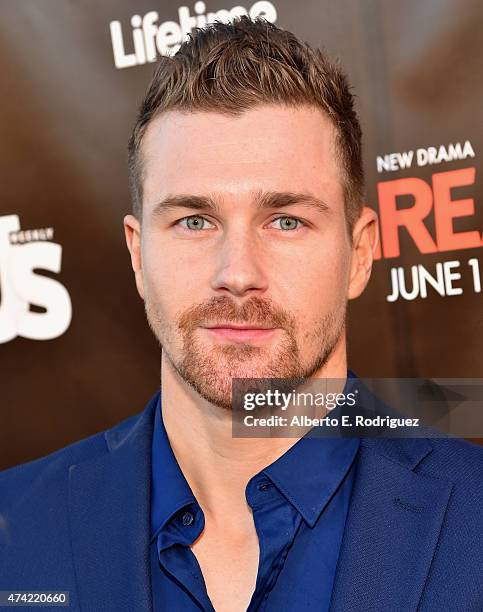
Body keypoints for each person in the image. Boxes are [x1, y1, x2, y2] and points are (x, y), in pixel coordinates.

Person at [1, 16, 482, 612]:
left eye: (286, 221)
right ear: (137, 254)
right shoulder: (12, 531)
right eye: (194, 221)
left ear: (359, 255)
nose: (238, 272)